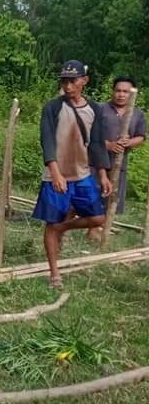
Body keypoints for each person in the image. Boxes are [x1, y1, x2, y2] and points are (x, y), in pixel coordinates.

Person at [32, 60, 112, 288]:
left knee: (98, 218)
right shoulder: (53, 107)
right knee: (51, 221)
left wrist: (104, 175)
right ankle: (55, 274)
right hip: (56, 176)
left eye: (72, 81)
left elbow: (96, 144)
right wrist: (55, 173)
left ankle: (63, 228)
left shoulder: (94, 109)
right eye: (64, 82)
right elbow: (47, 141)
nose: (68, 87)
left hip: (83, 174)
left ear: (84, 81)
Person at [97, 76, 146, 214]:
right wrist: (108, 145)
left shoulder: (138, 114)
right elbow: (89, 135)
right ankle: (89, 226)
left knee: (112, 197)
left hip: (119, 163)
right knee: (91, 195)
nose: (121, 95)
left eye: (125, 92)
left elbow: (141, 137)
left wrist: (129, 142)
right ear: (112, 91)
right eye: (118, 91)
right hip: (96, 161)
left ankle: (101, 227)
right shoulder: (100, 109)